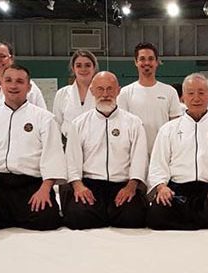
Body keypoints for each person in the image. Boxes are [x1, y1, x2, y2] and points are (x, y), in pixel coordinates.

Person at [0, 64, 66, 233]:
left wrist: (45, 190)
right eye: (8, 80)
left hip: (31, 185)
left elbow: (52, 156)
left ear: (29, 87)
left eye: (19, 81)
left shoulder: (45, 119)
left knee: (47, 219)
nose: (13, 85)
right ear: (1, 85)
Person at [146, 73, 208, 230]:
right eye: (191, 93)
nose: (196, 98)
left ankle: (195, 217)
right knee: (156, 215)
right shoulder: (169, 129)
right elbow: (158, 163)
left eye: (201, 93)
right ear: (184, 97)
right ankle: (200, 218)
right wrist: (161, 187)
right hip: (178, 191)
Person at [62, 71, 148, 230]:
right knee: (77, 217)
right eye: (100, 89)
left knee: (133, 217)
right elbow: (71, 160)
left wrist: (131, 186)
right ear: (92, 91)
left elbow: (139, 158)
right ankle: (105, 213)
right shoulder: (79, 123)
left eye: (110, 89)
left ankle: (108, 213)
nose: (105, 94)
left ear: (118, 91)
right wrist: (78, 186)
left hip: (122, 185)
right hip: (90, 185)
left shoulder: (133, 123)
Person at [118, 42, 182, 154]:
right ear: (136, 62)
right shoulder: (125, 93)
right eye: (142, 59)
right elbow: (121, 127)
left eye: (151, 59)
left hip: (163, 153)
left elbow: (176, 127)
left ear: (156, 62)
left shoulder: (169, 92)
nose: (146, 62)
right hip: (134, 154)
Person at [53, 49, 98, 135]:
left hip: (96, 144)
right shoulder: (62, 94)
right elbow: (56, 125)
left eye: (87, 65)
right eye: (79, 65)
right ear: (73, 69)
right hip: (68, 144)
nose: (83, 69)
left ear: (94, 68)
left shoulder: (102, 93)